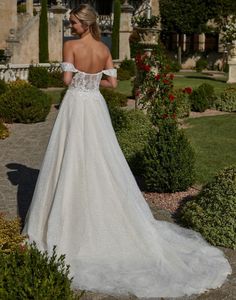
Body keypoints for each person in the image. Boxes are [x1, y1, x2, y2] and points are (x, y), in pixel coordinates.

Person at [22, 4, 231, 299]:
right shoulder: (104, 50)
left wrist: (78, 78)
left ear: (84, 23)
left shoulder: (71, 47)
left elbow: (67, 81)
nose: (70, 26)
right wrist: (93, 81)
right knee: (100, 158)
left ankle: (68, 219)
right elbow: (113, 83)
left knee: (70, 156)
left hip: (76, 106)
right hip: (95, 106)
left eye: (72, 22)